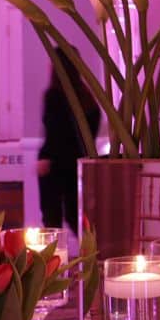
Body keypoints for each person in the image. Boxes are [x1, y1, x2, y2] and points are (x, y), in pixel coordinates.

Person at [37, 60, 95, 230]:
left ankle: (54, 248)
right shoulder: (86, 97)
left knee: (52, 217)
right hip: (77, 160)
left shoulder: (54, 96)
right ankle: (90, 245)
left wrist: (46, 156)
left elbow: (53, 130)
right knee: (75, 215)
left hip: (53, 163)